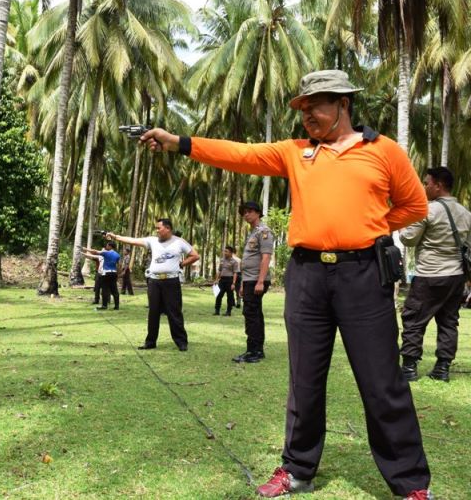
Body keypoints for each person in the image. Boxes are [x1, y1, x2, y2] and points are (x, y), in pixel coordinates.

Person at [139, 70, 432, 499]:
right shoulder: (295, 152)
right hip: (307, 275)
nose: (307, 115)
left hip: (363, 275)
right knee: (305, 378)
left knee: (382, 379)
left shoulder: (382, 150)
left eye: (316, 106)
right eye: (303, 108)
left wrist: (370, 229)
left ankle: (409, 483)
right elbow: (239, 154)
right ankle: (297, 469)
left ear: (343, 104)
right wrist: (180, 142)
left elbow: (414, 205)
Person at [399, 167, 471, 382]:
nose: (424, 187)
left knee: (413, 318)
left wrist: (404, 228)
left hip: (430, 274)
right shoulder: (466, 213)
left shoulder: (427, 210)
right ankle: (442, 368)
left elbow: (408, 239)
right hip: (456, 275)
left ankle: (409, 368)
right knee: (449, 321)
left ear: (438, 185)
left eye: (427, 183)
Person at [107, 219, 199, 351]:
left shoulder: (179, 242)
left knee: (174, 312)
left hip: (171, 281)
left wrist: (182, 264)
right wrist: (116, 237)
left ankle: (181, 342)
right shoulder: (152, 240)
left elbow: (195, 255)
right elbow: (133, 240)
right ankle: (150, 342)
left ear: (167, 228)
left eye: (158, 228)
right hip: (154, 281)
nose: (156, 231)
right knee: (153, 312)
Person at [232, 202, 274, 363]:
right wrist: (242, 283)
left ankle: (255, 351)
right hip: (249, 280)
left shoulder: (264, 232)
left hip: (257, 280)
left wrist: (260, 281)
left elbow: (266, 257)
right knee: (252, 313)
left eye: (249, 212)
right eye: (244, 213)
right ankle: (254, 349)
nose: (246, 215)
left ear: (258, 213)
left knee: (252, 314)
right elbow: (247, 261)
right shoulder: (252, 233)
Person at [82, 243, 120, 310]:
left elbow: (95, 251)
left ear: (110, 246)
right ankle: (116, 306)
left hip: (106, 273)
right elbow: (118, 265)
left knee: (105, 289)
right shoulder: (117, 255)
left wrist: (85, 249)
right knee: (115, 290)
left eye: (107, 245)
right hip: (114, 273)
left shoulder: (106, 253)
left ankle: (104, 306)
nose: (106, 246)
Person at [214, 246, 239, 316]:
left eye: (226, 251)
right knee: (218, 295)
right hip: (222, 280)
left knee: (230, 297)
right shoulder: (222, 260)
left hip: (230, 280)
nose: (225, 253)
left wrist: (233, 283)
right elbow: (219, 270)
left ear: (231, 253)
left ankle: (228, 312)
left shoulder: (234, 262)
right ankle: (217, 310)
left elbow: (235, 273)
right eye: (224, 251)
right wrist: (216, 280)